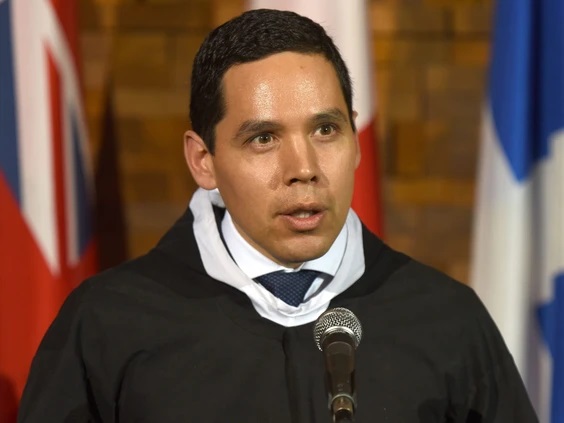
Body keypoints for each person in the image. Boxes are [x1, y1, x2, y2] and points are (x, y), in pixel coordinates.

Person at [18, 9, 537, 422]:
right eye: (264, 138)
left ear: (356, 139)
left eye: (325, 131)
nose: (304, 169)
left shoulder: (446, 320)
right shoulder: (108, 325)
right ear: (204, 161)